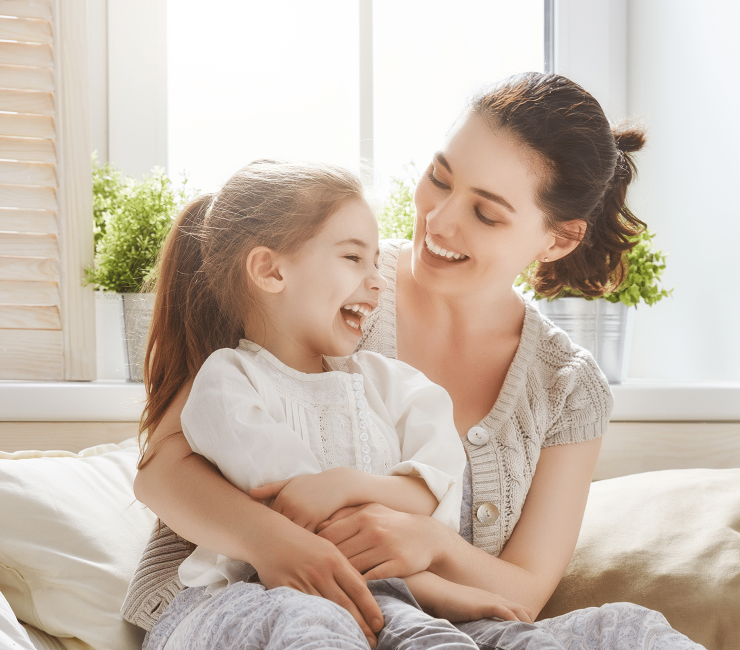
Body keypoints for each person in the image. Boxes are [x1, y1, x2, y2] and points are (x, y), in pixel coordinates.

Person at [127, 73, 705, 650]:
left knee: (632, 633)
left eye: (486, 213)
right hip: (244, 606)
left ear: (558, 239)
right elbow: (161, 470)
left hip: (428, 625)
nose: (440, 220)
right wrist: (274, 543)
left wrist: (430, 542)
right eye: (439, 178)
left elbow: (523, 592)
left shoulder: (567, 387)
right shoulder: (331, 290)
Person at [133, 159, 551, 650]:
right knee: (319, 629)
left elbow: (434, 486)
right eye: (355, 259)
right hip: (261, 594)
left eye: (375, 261)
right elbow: (301, 516)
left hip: (388, 598)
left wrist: (350, 484)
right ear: (269, 270)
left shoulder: (387, 382)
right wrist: (430, 589)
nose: (378, 281)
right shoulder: (230, 381)